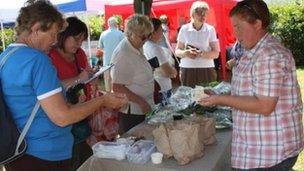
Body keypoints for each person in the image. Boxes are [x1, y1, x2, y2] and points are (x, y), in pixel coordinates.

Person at [1, 1, 127, 171]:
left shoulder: (6, 57)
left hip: (19, 153)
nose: (54, 41)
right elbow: (62, 117)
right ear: (36, 28)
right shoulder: (37, 60)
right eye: (53, 34)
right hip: (44, 154)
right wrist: (103, 101)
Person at [198, 0, 304, 170]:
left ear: (257, 24)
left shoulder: (269, 55)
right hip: (261, 147)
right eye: (234, 27)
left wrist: (221, 99)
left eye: (239, 26)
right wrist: (217, 94)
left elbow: (264, 105)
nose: (235, 32)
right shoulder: (254, 50)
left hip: (269, 151)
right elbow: (249, 88)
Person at [48, 16, 94, 170]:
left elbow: (83, 75)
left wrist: (90, 75)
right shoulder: (50, 57)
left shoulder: (79, 54)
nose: (79, 43)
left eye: (82, 39)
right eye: (76, 39)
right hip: (63, 117)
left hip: (81, 114)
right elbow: (51, 87)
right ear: (63, 35)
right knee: (73, 159)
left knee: (85, 158)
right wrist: (78, 78)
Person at [111, 14, 154, 134]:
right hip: (132, 111)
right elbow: (117, 87)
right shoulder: (123, 54)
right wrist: (141, 102)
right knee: (134, 144)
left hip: (141, 108)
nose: (146, 40)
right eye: (143, 37)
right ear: (130, 33)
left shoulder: (136, 45)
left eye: (148, 35)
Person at [175, 1, 220, 88]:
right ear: (193, 14)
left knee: (206, 98)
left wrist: (201, 53)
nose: (203, 16)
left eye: (205, 13)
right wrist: (185, 53)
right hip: (187, 69)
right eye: (200, 13)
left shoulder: (210, 29)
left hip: (206, 69)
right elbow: (177, 51)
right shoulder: (184, 29)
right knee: (189, 99)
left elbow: (216, 53)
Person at [143, 18, 177, 106]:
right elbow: (168, 72)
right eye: (161, 30)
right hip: (162, 87)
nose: (162, 33)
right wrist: (173, 70)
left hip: (154, 86)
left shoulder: (145, 45)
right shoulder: (155, 48)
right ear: (153, 32)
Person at [98, 16, 124, 92]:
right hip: (118, 60)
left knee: (107, 79)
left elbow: (100, 47)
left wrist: (106, 51)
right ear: (116, 24)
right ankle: (116, 94)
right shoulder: (120, 34)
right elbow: (124, 47)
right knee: (117, 79)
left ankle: (108, 94)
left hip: (107, 60)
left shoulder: (103, 34)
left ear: (108, 24)